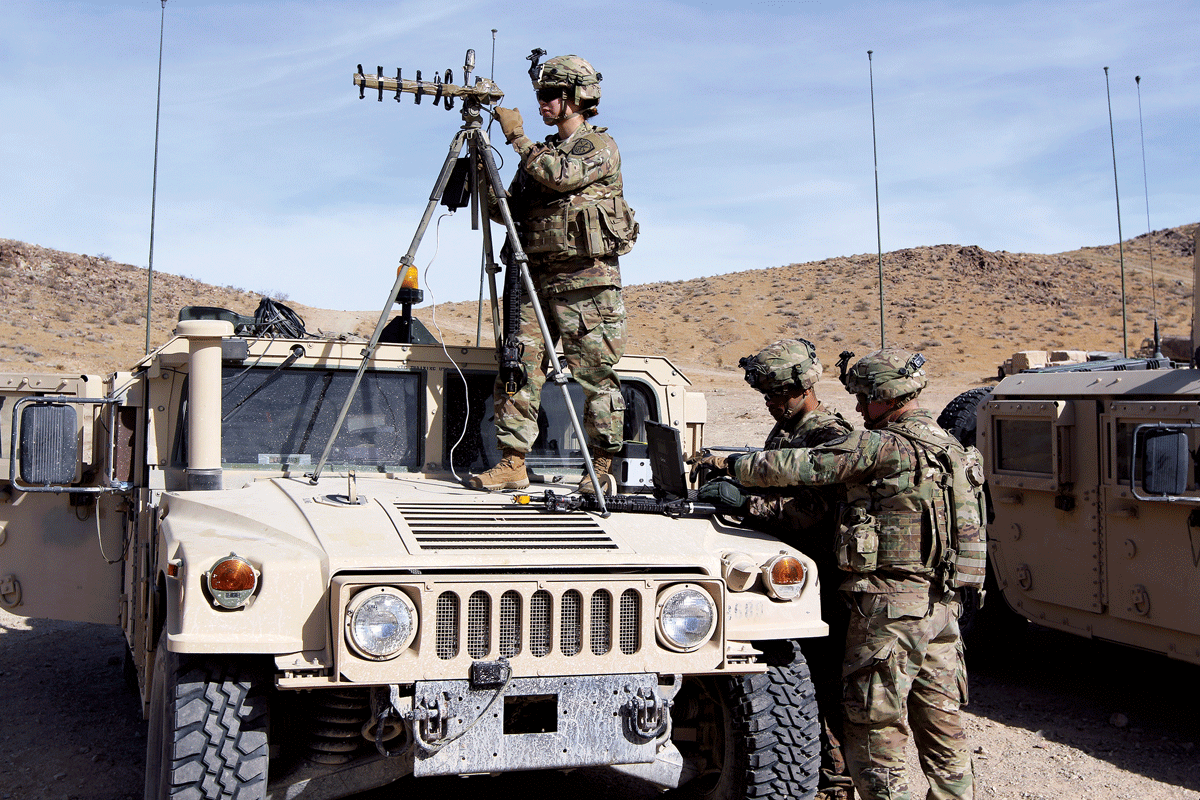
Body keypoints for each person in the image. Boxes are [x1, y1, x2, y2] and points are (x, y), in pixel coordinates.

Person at [696, 348, 985, 800]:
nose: (856, 408)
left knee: (874, 721)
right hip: (943, 604)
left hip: (891, 605)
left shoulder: (883, 444)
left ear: (883, 397)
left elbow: (807, 464)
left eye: (863, 398)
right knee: (941, 719)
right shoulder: (948, 446)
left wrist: (729, 466)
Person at [469, 54, 638, 493]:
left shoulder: (597, 148)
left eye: (550, 96)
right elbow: (511, 210)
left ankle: (599, 467)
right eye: (540, 95)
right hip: (534, 281)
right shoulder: (539, 156)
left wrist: (517, 137)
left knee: (595, 376)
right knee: (518, 369)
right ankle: (512, 462)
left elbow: (562, 176)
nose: (542, 103)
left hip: (586, 283)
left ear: (575, 99)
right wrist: (485, 174)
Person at [710, 338, 856, 800]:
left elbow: (816, 510)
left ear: (802, 387)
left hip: (824, 579)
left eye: (777, 395)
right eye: (766, 396)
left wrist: (747, 503)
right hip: (789, 575)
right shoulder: (789, 429)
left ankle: (836, 784)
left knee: (824, 690)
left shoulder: (828, 435)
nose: (771, 404)